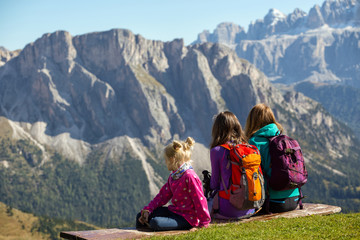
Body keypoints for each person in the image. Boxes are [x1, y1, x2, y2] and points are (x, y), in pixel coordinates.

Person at [136, 137, 210, 231]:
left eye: (166, 160)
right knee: (140, 215)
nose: (165, 162)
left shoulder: (189, 176)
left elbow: (199, 200)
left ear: (171, 159)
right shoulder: (174, 176)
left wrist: (203, 224)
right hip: (174, 211)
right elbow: (162, 196)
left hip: (187, 218)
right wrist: (148, 209)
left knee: (155, 223)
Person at [245, 103, 300, 213]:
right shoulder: (282, 138)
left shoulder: (254, 142)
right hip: (295, 199)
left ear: (252, 121)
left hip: (272, 202)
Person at [209, 111, 256, 220]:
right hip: (251, 206)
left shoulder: (217, 150)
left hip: (228, 209)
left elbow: (214, 184)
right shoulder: (248, 148)